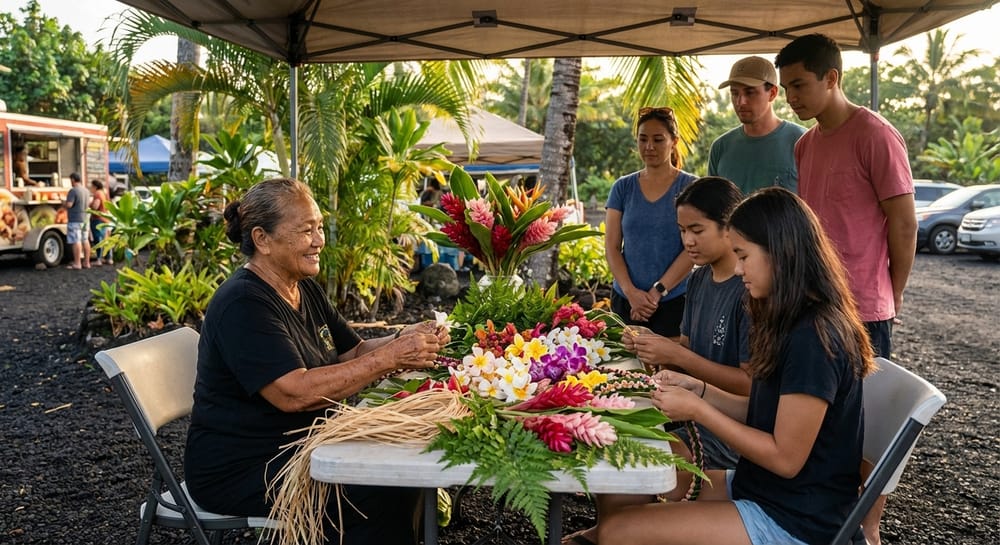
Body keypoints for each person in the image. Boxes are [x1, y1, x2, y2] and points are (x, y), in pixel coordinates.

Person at [590, 187, 875, 545]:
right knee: (628, 474)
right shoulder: (791, 319)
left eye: (743, 255)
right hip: (762, 489)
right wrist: (702, 391)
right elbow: (763, 410)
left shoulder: (814, 339)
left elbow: (785, 458)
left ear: (780, 253)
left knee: (619, 532)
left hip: (795, 518)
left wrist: (698, 410)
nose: (738, 268)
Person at [184, 177, 449, 545]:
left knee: (404, 470)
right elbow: (294, 394)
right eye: (306, 230)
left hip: (305, 443)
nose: (319, 240)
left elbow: (353, 352)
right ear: (262, 239)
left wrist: (406, 338)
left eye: (319, 227)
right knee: (381, 488)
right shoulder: (243, 303)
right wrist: (391, 358)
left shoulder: (301, 284)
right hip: (245, 467)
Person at [775, 33, 918, 545]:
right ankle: (824, 517)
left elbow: (903, 226)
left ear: (832, 77)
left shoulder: (875, 134)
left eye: (799, 84)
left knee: (867, 425)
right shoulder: (804, 144)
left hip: (865, 311)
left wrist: (890, 297)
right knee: (822, 424)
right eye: (785, 86)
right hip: (812, 307)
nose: (791, 96)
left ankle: (868, 528)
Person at [563, 177, 750, 545]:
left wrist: (676, 355)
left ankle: (609, 534)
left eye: (697, 230)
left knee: (625, 465)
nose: (687, 241)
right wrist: (652, 344)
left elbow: (750, 385)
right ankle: (608, 532)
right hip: (691, 416)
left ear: (730, 228)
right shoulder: (699, 281)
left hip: (726, 435)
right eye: (681, 230)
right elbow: (689, 345)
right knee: (611, 440)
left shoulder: (749, 291)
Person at [605, 106, 696, 340]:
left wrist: (657, 292)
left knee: (671, 373)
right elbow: (612, 247)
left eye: (658, 139)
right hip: (626, 303)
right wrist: (631, 292)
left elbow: (693, 247)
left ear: (674, 141)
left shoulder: (690, 187)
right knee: (624, 372)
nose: (649, 147)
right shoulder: (622, 188)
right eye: (643, 139)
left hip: (675, 301)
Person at [709, 56, 807, 194]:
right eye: (734, 93)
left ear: (772, 93)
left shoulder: (802, 141)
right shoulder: (720, 147)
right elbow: (710, 209)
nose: (740, 101)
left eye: (750, 92)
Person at [62, 173, 91, 270]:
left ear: (73, 180)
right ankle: (87, 262)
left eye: (71, 180)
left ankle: (77, 263)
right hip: (85, 219)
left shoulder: (73, 191)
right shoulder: (86, 191)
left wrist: (63, 203)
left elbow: (69, 204)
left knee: (76, 241)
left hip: (75, 219)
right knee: (85, 240)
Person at [88, 179, 112, 266]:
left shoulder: (97, 194)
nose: (91, 188)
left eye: (91, 187)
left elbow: (95, 206)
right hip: (105, 218)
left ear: (95, 186)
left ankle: (99, 259)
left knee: (98, 239)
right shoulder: (104, 193)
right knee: (106, 239)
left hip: (98, 219)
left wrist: (89, 205)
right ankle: (109, 258)